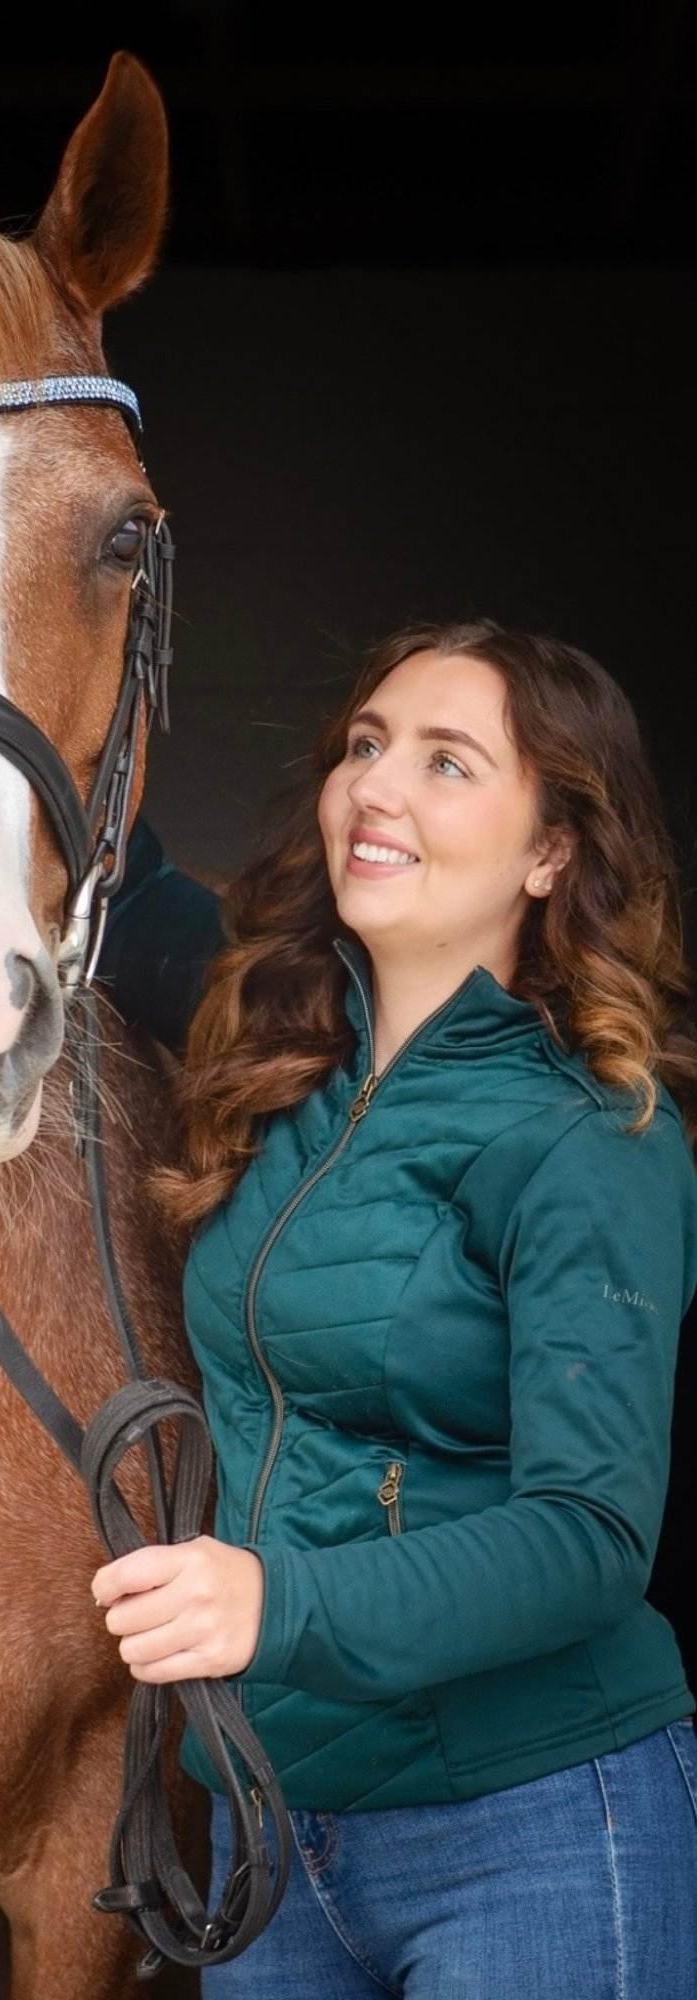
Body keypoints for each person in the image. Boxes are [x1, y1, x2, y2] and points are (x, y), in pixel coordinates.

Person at [90, 619, 697, 1996]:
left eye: (446, 763)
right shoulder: (271, 1040)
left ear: (549, 854)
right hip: (275, 1834)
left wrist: (273, 1604)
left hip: (531, 1826)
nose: (378, 787)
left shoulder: (588, 1142)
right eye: (365, 746)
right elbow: (105, 886)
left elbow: (589, 1537)